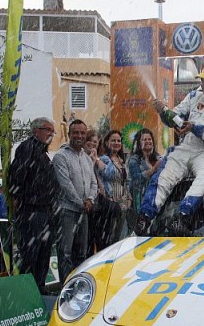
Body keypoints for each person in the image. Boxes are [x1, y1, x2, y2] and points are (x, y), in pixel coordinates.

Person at [134, 63, 204, 235]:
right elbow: (175, 117)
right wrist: (163, 112)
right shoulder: (194, 96)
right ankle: (144, 218)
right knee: (163, 178)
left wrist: (194, 128)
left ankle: (182, 217)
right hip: (184, 147)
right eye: (202, 80)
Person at [8, 117, 59, 295]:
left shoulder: (43, 153)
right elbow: (17, 175)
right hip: (32, 210)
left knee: (44, 253)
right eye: (47, 130)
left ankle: (40, 287)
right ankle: (27, 291)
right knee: (31, 253)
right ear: (36, 130)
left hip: (46, 210)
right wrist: (17, 198)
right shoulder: (27, 148)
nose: (51, 134)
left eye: (52, 131)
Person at [53, 120, 98, 282]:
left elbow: (93, 183)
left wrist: (90, 199)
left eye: (82, 133)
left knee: (81, 254)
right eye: (76, 133)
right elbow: (65, 185)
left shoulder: (86, 158)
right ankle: (65, 286)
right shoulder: (60, 156)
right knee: (65, 253)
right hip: (67, 211)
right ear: (69, 134)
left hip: (83, 212)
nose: (79, 136)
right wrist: (81, 203)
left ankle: (78, 285)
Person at [98, 130, 131, 246]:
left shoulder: (122, 161)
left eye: (118, 140)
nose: (116, 143)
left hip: (123, 204)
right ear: (106, 143)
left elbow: (126, 182)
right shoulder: (103, 159)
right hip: (111, 203)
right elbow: (106, 176)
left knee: (121, 239)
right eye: (113, 140)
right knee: (110, 239)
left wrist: (129, 198)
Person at [127, 128, 161, 221]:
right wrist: (153, 169)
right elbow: (136, 180)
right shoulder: (134, 160)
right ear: (139, 143)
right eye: (144, 139)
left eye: (149, 139)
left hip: (156, 198)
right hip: (140, 200)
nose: (147, 141)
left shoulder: (158, 157)